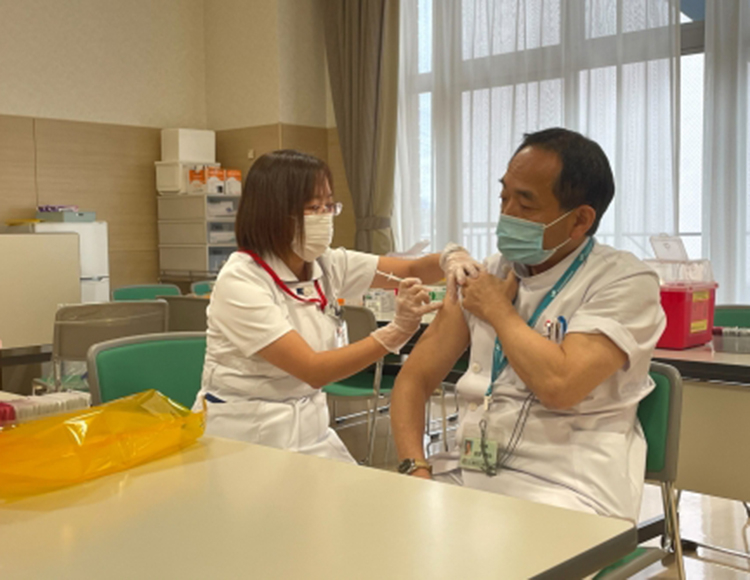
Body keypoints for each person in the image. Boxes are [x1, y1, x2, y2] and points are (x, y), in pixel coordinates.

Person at [391, 128, 666, 521]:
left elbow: (560, 386)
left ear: (580, 220)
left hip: (569, 487)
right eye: (503, 197)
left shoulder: (625, 281)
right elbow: (414, 379)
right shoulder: (490, 273)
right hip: (470, 471)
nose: (507, 215)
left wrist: (498, 311)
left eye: (525, 203)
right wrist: (415, 469)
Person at [192, 149, 479, 463]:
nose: (325, 216)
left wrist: (450, 257)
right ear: (274, 212)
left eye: (329, 205)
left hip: (310, 427)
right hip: (246, 434)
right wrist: (395, 333)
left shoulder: (325, 263)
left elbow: (409, 268)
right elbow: (313, 370)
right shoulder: (242, 279)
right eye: (314, 207)